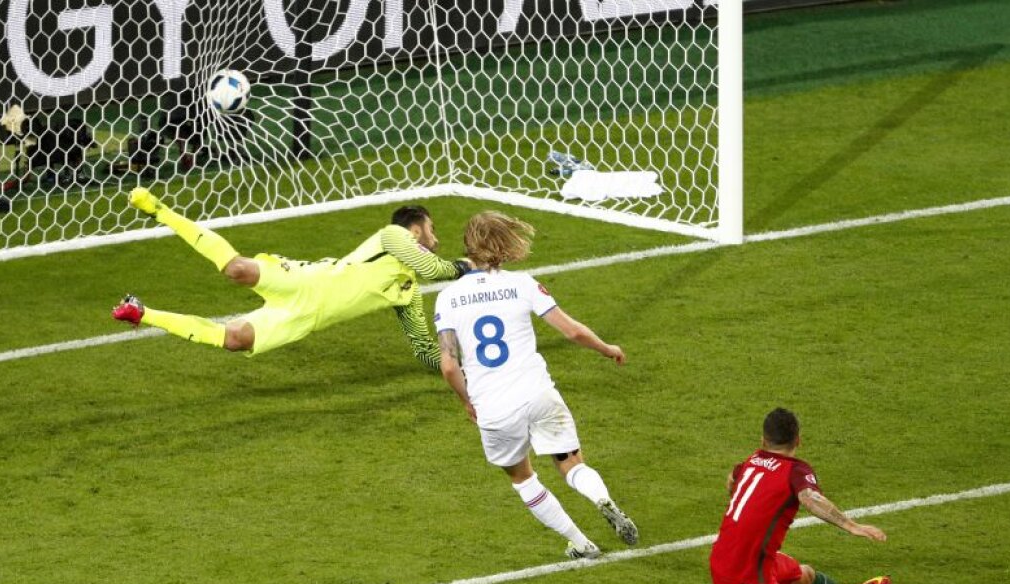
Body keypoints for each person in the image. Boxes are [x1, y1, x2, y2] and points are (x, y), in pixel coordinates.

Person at [434, 211, 637, 560]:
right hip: (538, 393)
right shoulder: (523, 284)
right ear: (505, 244)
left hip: (494, 407)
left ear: (468, 245)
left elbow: (449, 365)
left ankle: (581, 543)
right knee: (571, 462)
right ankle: (601, 498)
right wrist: (607, 349)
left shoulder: (448, 297)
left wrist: (467, 401)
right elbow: (572, 330)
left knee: (522, 477)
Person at [112, 188, 471, 368]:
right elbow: (434, 268)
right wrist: (467, 266)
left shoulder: (408, 292)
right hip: (306, 280)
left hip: (304, 319)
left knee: (235, 339)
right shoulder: (392, 236)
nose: (436, 239)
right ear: (414, 227)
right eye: (432, 229)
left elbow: (425, 350)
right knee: (237, 269)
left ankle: (142, 313)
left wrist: (468, 363)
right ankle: (159, 210)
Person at [709, 408, 932, 584]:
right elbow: (810, 498)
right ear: (798, 441)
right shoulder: (795, 471)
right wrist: (852, 526)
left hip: (737, 559)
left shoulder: (752, 461)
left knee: (805, 576)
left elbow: (732, 479)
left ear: (763, 440)